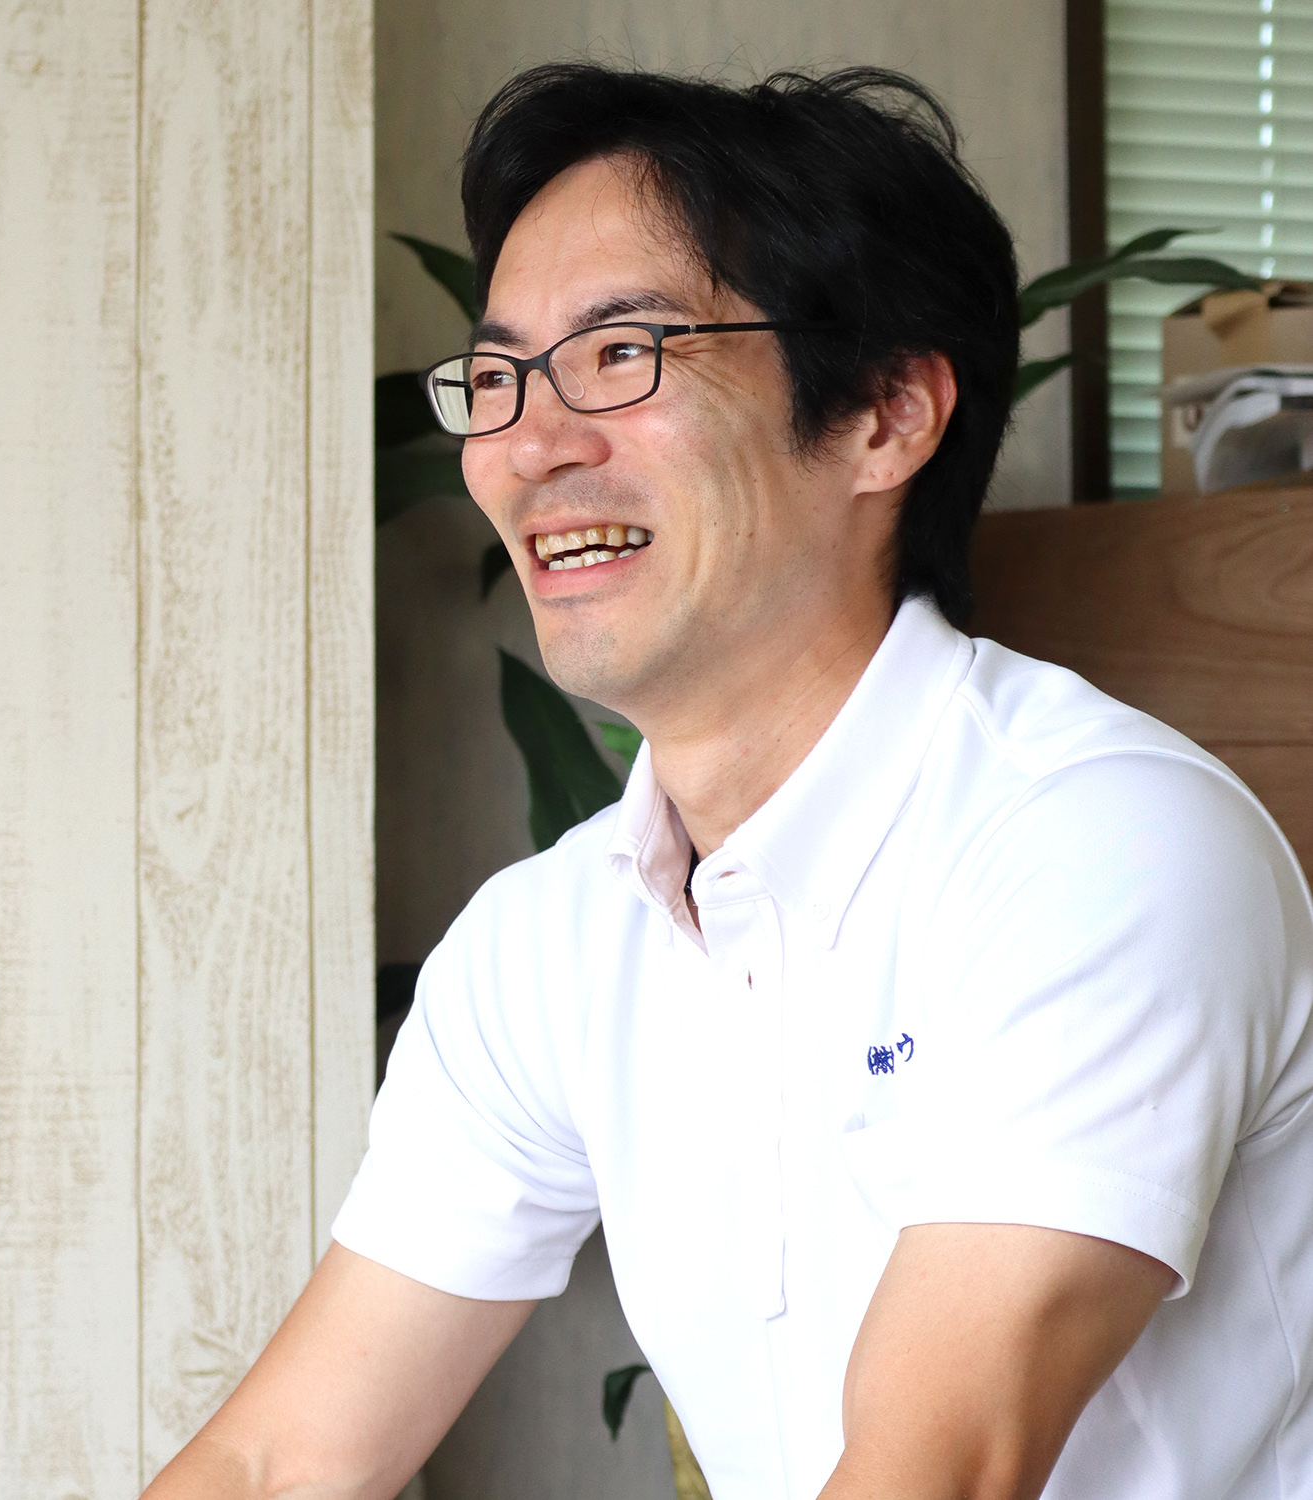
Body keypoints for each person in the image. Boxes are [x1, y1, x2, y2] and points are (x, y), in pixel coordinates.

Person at [145, 63, 1313, 1500]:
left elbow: (936, 1472)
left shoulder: (1099, 845)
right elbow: (277, 1461)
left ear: (885, 414)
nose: (529, 446)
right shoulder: (547, 943)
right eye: (498, 378)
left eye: (621, 353)